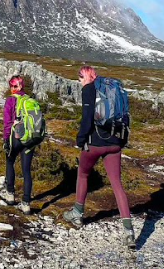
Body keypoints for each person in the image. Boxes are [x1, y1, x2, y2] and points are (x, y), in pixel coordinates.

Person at [63, 65, 136, 249]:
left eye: (80, 78)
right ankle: (128, 232)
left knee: (83, 174)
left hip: (95, 143)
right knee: (117, 184)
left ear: (85, 76)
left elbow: (87, 117)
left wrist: (80, 139)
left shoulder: (89, 89)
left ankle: (78, 214)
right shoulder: (111, 87)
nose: (80, 81)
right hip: (115, 143)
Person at [0, 75, 34, 214]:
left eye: (13, 86)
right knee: (26, 170)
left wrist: (6, 139)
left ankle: (10, 194)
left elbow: (7, 123)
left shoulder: (10, 100)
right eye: (11, 85)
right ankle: (26, 203)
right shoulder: (30, 100)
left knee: (10, 162)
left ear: (19, 86)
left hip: (16, 137)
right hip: (30, 139)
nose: (11, 89)